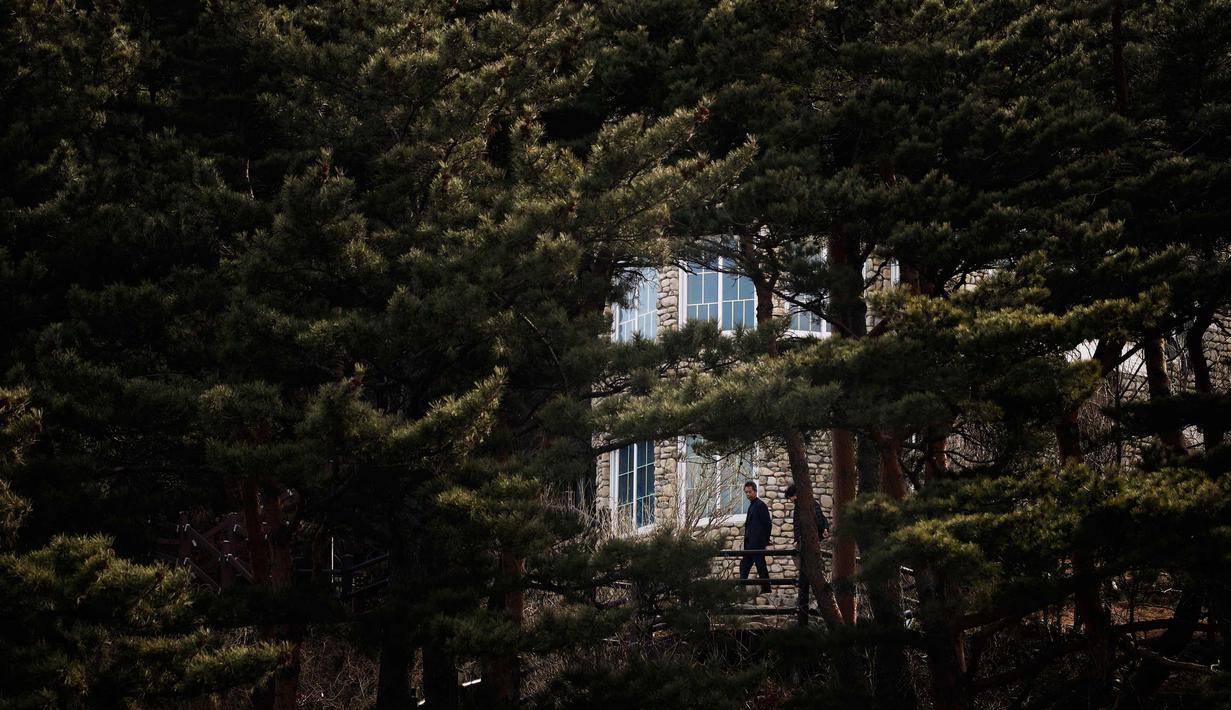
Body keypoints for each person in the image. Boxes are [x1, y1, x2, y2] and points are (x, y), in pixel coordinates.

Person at [785, 483, 829, 612]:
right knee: (812, 571)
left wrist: (799, 538)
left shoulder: (800, 506)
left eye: (790, 497)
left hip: (807, 543)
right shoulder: (813, 503)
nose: (790, 500)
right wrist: (824, 529)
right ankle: (812, 603)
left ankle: (807, 606)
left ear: (794, 495)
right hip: (812, 541)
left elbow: (803, 523)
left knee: (807, 573)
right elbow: (822, 519)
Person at [740, 480, 772, 594]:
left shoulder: (760, 505)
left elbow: (767, 524)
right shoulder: (752, 505)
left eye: (750, 492)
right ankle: (741, 589)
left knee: (760, 566)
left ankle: (766, 589)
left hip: (757, 543)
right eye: (746, 492)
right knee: (744, 565)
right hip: (749, 543)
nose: (748, 494)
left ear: (755, 491)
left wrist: (765, 540)